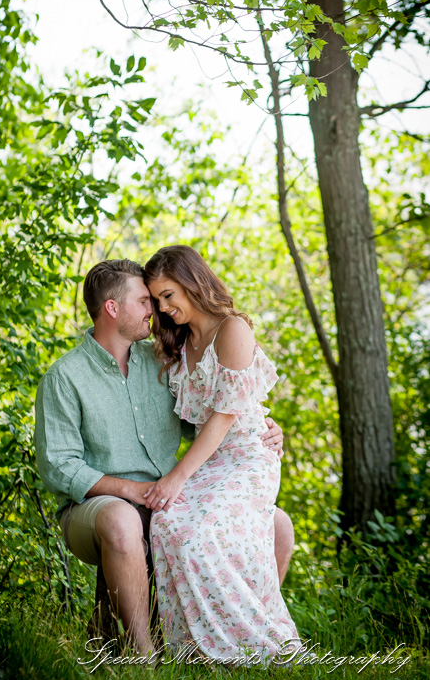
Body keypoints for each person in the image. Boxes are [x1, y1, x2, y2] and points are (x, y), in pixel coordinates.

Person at [34, 258, 293, 656]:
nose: (154, 311)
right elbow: (59, 467)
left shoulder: (160, 361)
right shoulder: (65, 377)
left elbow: (210, 418)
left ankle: (244, 632)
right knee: (123, 518)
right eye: (144, 301)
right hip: (94, 508)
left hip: (163, 492)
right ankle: (143, 657)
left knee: (276, 522)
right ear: (112, 308)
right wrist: (130, 490)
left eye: (157, 299)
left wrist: (264, 427)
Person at [143, 245, 299, 662]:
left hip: (248, 458)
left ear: (193, 283)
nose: (164, 307)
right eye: (157, 300)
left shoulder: (232, 330)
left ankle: (253, 644)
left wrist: (175, 478)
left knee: (198, 538)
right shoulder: (179, 344)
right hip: (208, 464)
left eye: (169, 295)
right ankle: (191, 649)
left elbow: (225, 416)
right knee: (166, 525)